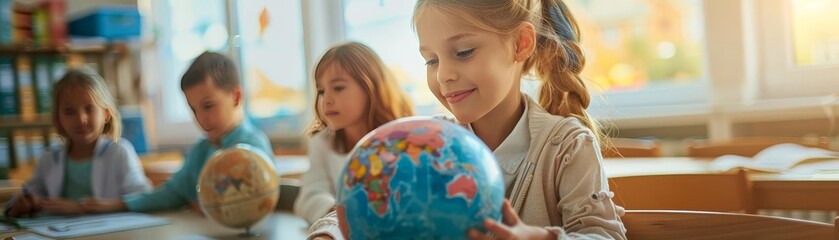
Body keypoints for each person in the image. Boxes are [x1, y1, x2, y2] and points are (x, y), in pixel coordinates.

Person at [82, 52, 273, 213]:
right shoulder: (201, 149)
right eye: (193, 109)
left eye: (208, 106)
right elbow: (172, 192)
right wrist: (118, 204)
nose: (201, 118)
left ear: (236, 97)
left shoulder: (253, 148)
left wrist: (207, 207)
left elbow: (258, 200)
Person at [5, 69, 151, 217]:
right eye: (69, 112)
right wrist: (21, 206)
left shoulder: (119, 152)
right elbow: (30, 196)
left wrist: (83, 208)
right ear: (58, 119)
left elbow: (143, 199)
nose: (81, 119)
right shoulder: (49, 158)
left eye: (89, 109)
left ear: (106, 114)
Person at [298, 42, 414, 228]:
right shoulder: (322, 142)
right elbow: (309, 197)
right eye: (321, 91)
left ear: (371, 88)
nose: (326, 99)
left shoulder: (401, 140)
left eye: (338, 88)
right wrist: (342, 213)